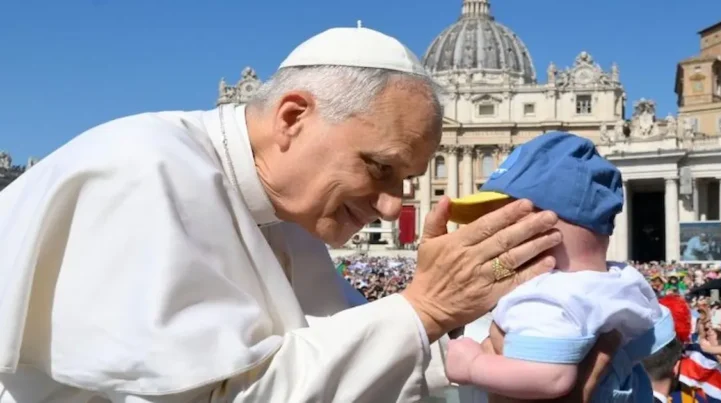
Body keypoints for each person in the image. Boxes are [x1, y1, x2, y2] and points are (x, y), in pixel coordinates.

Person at [0, 26, 613, 402]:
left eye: (405, 182)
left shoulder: (285, 219)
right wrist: (423, 308)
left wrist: (501, 361)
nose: (393, 205)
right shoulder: (142, 172)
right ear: (293, 117)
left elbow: (329, 355)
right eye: (380, 168)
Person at [441, 133, 675, 401]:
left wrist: (472, 366)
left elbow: (551, 378)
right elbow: (653, 339)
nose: (490, 238)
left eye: (500, 225)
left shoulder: (545, 295)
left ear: (541, 230)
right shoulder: (624, 280)